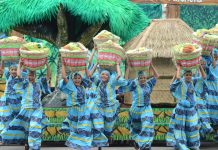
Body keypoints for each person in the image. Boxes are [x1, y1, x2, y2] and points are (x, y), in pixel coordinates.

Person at [1, 60, 51, 150]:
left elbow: (48, 76)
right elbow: (19, 75)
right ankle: (27, 143)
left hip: (37, 109)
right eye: (29, 75)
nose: (30, 77)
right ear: (26, 76)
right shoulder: (24, 83)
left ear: (35, 76)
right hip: (25, 109)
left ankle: (34, 147)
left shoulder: (39, 83)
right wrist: (19, 64)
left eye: (32, 75)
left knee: (34, 127)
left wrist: (47, 64)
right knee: (26, 128)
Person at [59, 63, 107, 150]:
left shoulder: (83, 87)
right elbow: (64, 77)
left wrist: (87, 65)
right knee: (75, 132)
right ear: (72, 79)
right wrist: (63, 63)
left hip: (84, 112)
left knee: (85, 129)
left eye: (79, 78)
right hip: (74, 112)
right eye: (75, 78)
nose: (77, 80)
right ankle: (81, 146)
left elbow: (88, 76)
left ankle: (89, 146)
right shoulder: (71, 87)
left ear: (81, 79)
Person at [117, 62, 159, 150]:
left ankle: (145, 144)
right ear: (138, 78)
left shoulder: (149, 84)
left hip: (146, 108)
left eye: (144, 77)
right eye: (141, 78)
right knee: (137, 129)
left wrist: (151, 65)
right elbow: (125, 81)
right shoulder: (134, 84)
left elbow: (156, 76)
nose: (143, 79)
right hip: (135, 110)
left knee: (147, 123)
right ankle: (137, 141)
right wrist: (128, 67)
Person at [167, 64, 206, 150]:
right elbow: (176, 78)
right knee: (180, 128)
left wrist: (200, 66)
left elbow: (203, 77)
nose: (188, 76)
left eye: (190, 75)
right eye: (186, 75)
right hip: (181, 109)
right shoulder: (181, 81)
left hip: (191, 110)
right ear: (183, 75)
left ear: (192, 75)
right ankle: (181, 145)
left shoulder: (194, 81)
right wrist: (179, 68)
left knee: (192, 127)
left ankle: (193, 145)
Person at [90, 60, 127, 143]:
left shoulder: (112, 82)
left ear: (109, 77)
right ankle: (97, 138)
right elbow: (90, 75)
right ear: (100, 75)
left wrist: (117, 64)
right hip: (99, 107)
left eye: (106, 74)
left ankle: (108, 136)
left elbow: (119, 75)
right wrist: (96, 63)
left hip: (109, 107)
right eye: (102, 74)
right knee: (97, 124)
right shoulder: (98, 81)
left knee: (108, 126)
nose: (104, 75)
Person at [0, 61, 27, 144]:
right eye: (12, 69)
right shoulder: (8, 76)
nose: (14, 71)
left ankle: (19, 139)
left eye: (15, 70)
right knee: (4, 119)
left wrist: (20, 64)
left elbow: (20, 73)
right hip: (6, 102)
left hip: (16, 102)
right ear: (9, 70)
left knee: (17, 120)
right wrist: (3, 60)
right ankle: (3, 138)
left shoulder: (21, 76)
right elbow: (1, 69)